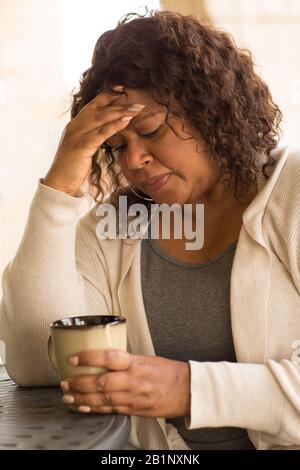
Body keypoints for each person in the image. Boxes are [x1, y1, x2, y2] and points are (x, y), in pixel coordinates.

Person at [1, 9, 300, 451]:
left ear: (209, 110)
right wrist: (60, 182)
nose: (132, 161)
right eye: (117, 146)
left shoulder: (291, 194)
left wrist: (188, 388)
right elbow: (35, 364)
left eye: (151, 130)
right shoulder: (114, 228)